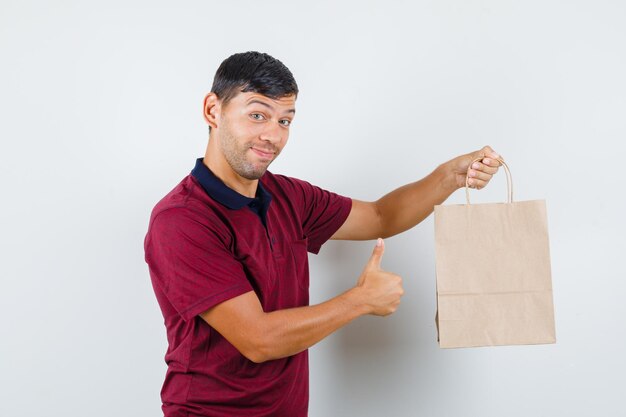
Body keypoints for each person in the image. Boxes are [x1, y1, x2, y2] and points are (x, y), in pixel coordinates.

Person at [144, 51, 501, 417]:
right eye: (257, 115)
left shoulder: (290, 197)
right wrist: (360, 300)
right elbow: (258, 339)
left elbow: (381, 215)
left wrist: (450, 177)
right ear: (212, 110)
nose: (272, 135)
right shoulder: (182, 220)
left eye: (285, 120)